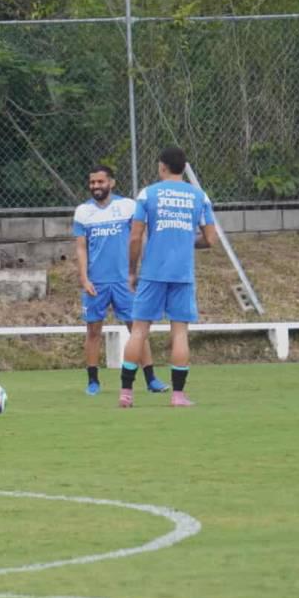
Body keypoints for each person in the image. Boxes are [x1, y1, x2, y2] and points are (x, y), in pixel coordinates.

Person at [119, 147, 217, 408]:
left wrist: (131, 270)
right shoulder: (199, 196)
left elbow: (135, 236)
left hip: (152, 272)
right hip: (182, 274)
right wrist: (188, 241)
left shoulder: (148, 194)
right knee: (180, 333)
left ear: (162, 167)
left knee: (139, 331)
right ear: (184, 168)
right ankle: (178, 396)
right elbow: (210, 239)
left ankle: (126, 393)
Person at [72, 165, 167, 396]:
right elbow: (81, 248)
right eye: (92, 182)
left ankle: (151, 379)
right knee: (93, 331)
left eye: (100, 182)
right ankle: (93, 381)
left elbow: (139, 238)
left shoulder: (127, 207)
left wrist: (142, 271)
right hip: (96, 282)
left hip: (125, 281)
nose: (96, 186)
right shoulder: (83, 211)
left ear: (111, 183)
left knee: (137, 330)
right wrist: (84, 278)